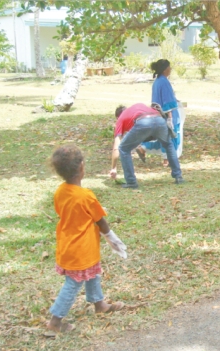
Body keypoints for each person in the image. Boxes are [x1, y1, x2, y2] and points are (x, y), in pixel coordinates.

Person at [48, 144, 126, 333]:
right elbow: (101, 222)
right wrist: (112, 238)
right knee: (73, 285)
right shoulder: (86, 196)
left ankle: (100, 304)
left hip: (69, 244)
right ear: (82, 166)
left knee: (92, 274)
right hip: (80, 249)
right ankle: (55, 322)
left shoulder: (60, 191)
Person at [110, 103, 185, 189]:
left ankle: (131, 182)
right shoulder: (137, 108)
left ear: (117, 117)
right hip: (159, 120)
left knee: (123, 148)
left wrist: (113, 168)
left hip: (143, 123)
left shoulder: (121, 119)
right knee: (168, 145)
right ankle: (178, 176)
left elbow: (116, 147)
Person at [140, 59, 183, 167]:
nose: (170, 69)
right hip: (168, 114)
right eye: (169, 67)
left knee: (163, 136)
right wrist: (170, 117)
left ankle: (144, 147)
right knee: (171, 136)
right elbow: (167, 101)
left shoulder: (157, 81)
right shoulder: (164, 82)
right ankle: (167, 159)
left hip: (157, 113)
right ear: (165, 69)